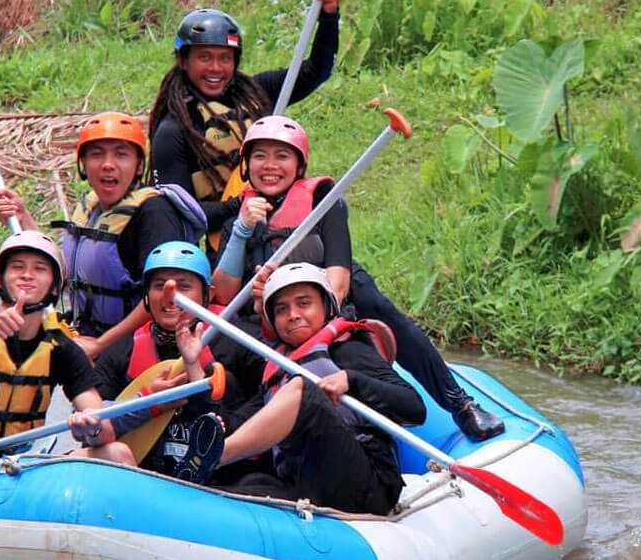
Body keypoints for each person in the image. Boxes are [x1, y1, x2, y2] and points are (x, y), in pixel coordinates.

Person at [211, 116, 506, 442]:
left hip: (334, 298)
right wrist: (241, 230)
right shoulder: (238, 215)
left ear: (299, 165)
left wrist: (315, 325)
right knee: (232, 339)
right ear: (246, 164)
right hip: (273, 310)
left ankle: (460, 403)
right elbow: (224, 296)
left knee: (383, 309)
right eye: (260, 156)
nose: (270, 166)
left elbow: (338, 279)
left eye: (282, 156)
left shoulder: (325, 201)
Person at [173, 263, 426, 516]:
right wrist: (193, 364)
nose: (293, 314)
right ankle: (207, 463)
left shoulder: (349, 350)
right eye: (282, 309)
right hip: (305, 482)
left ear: (326, 306)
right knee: (240, 485)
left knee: (302, 388)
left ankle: (213, 458)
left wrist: (352, 379)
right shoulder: (275, 370)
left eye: (304, 303)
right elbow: (233, 426)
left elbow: (415, 408)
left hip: (366, 482)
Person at [147, 0, 344, 245]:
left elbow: (317, 70)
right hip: (224, 244)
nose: (216, 68)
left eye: (225, 58)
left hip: (279, 229)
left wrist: (329, 14)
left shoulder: (255, 93)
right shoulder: (173, 131)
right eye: (204, 57)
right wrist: (243, 204)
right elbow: (173, 215)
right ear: (182, 60)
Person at [0, 111, 205, 359]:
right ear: (83, 164)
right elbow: (64, 273)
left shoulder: (155, 215)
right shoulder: (92, 208)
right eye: (96, 154)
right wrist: (21, 216)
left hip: (139, 350)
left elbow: (163, 298)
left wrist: (101, 345)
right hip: (90, 339)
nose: (108, 164)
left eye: (121, 154)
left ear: (139, 165)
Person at [0, 230, 135, 465]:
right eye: (17, 267)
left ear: (54, 287)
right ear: (0, 279)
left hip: (14, 468)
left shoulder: (59, 348)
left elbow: (102, 423)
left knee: (117, 453)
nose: (27, 275)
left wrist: (92, 428)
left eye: (40, 269)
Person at [93, 241, 262, 477]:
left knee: (229, 382)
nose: (170, 296)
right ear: (146, 296)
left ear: (207, 295)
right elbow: (90, 424)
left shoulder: (238, 342)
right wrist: (147, 402)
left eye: (184, 286)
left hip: (220, 479)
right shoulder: (121, 353)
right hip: (143, 474)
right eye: (159, 286)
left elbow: (267, 401)